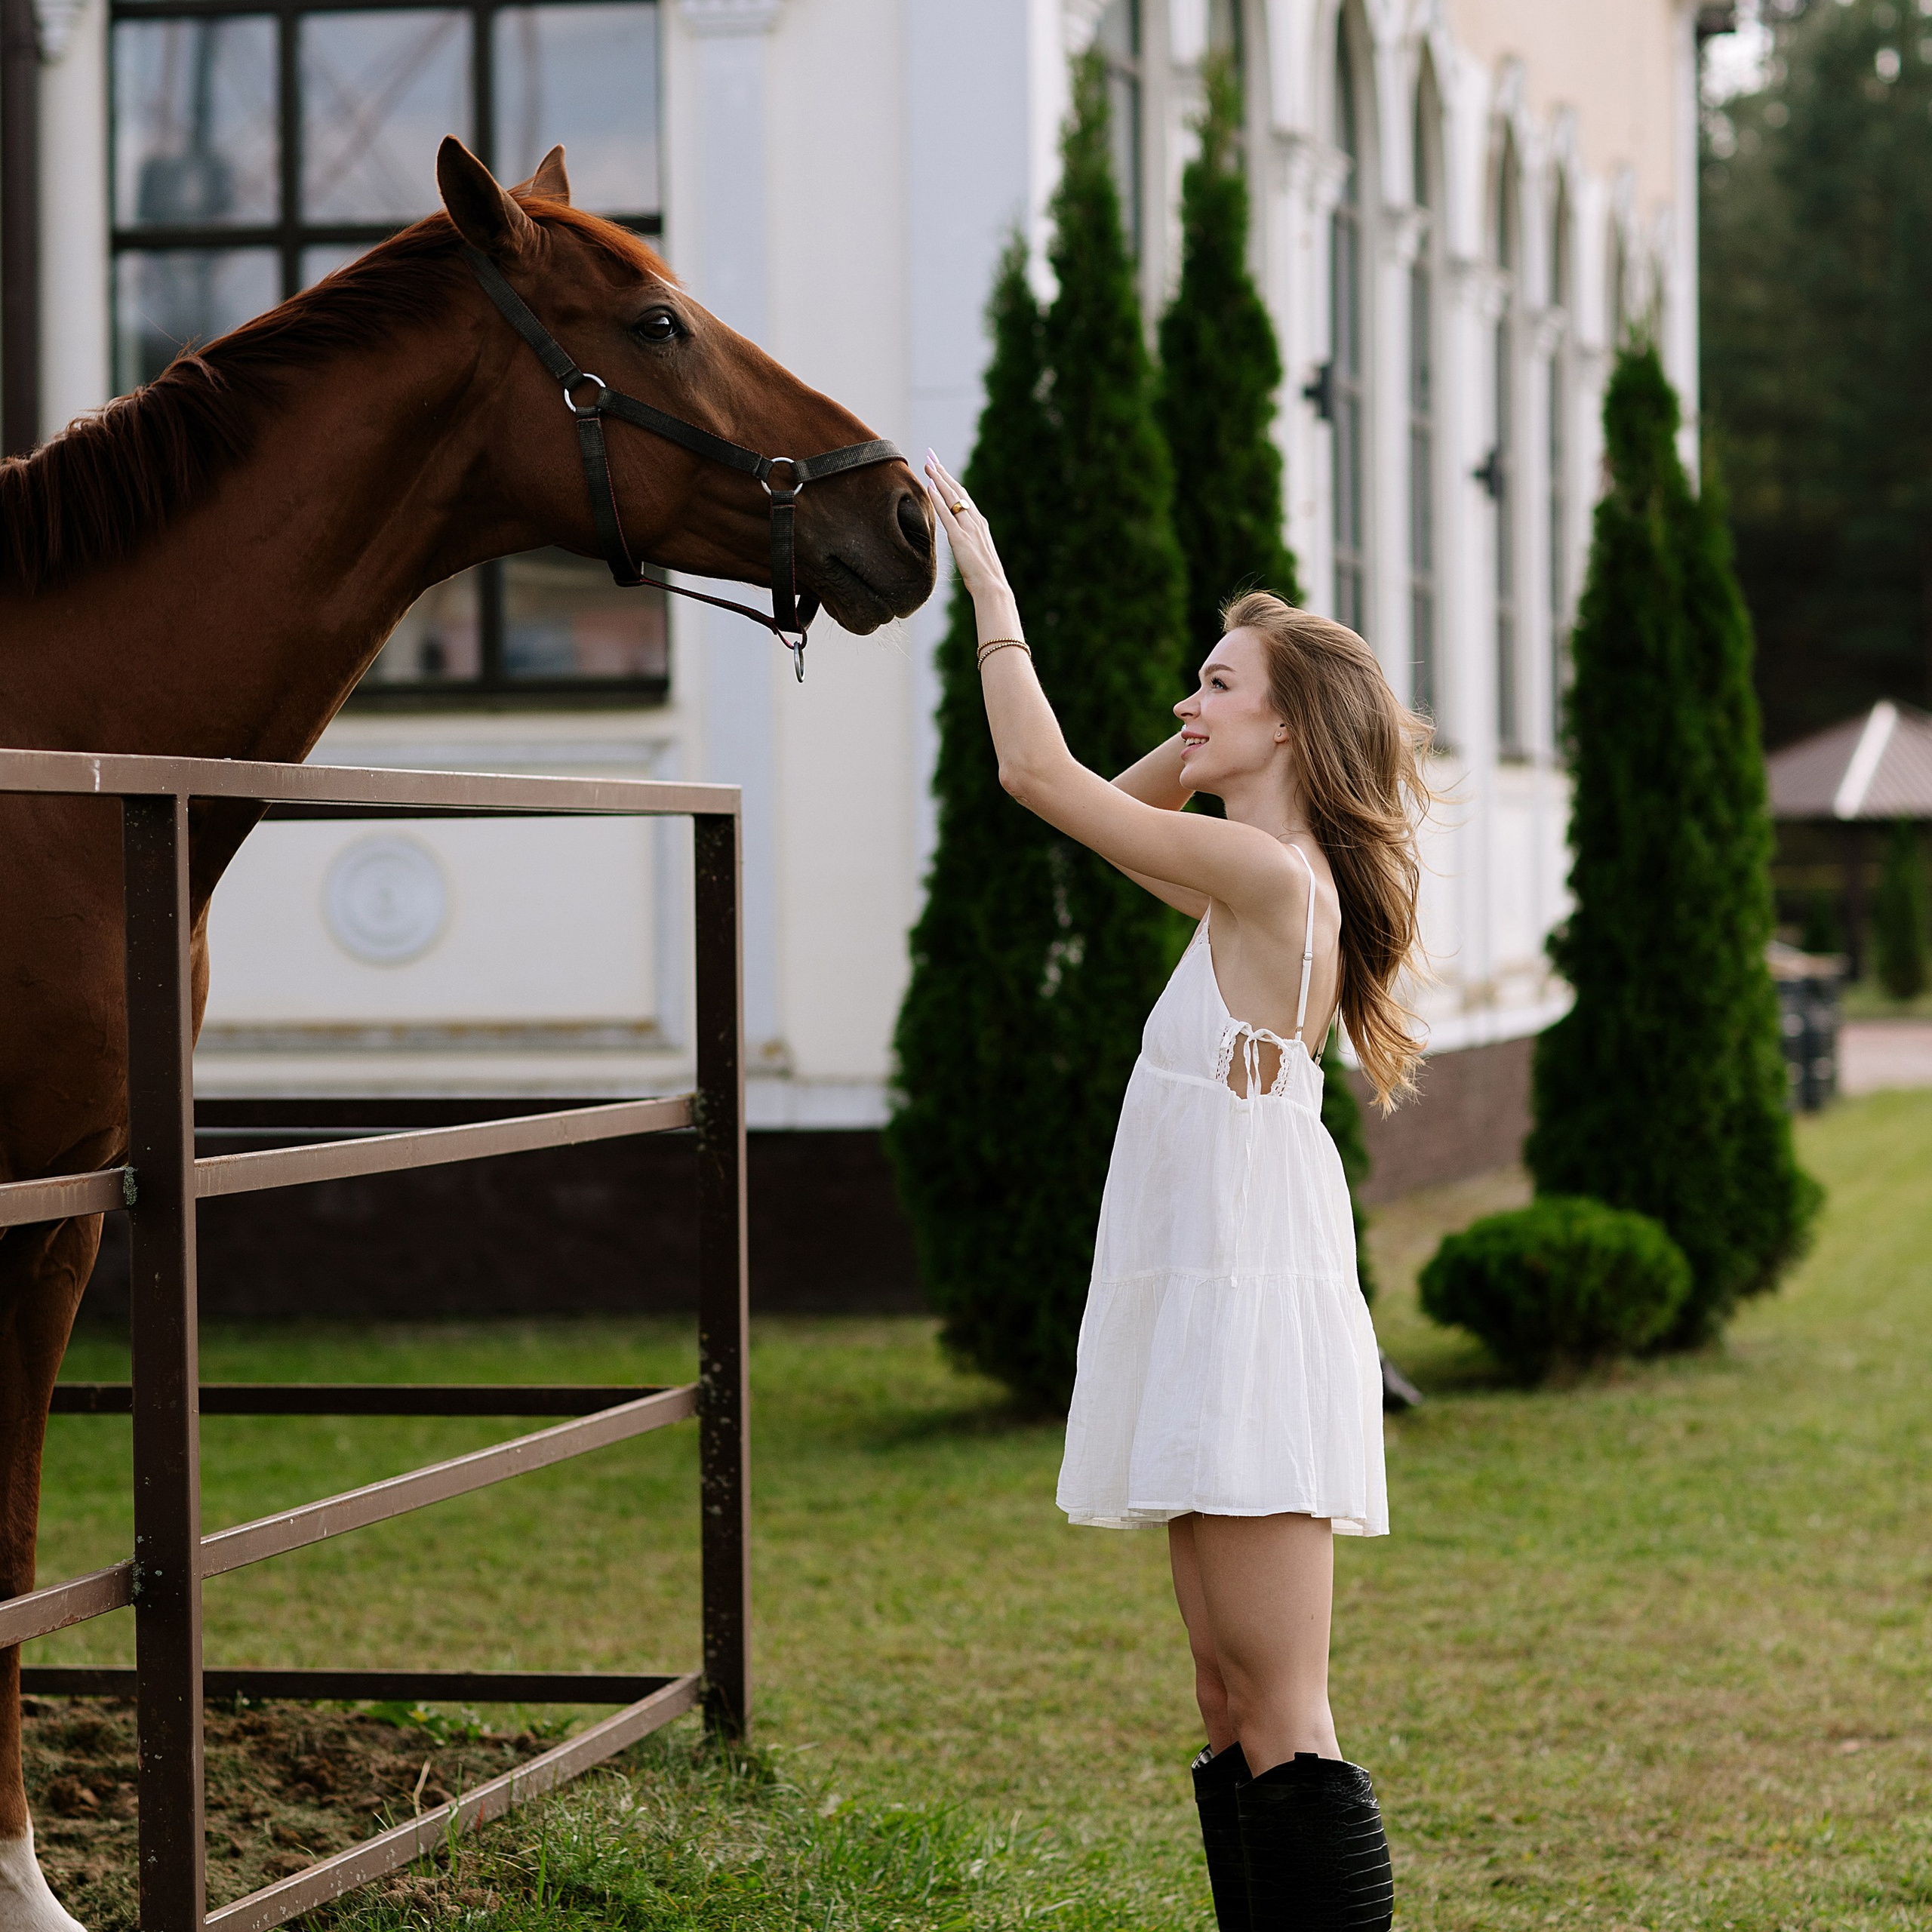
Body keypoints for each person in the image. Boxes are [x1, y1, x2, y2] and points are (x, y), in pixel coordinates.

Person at [924, 451, 1429, 1932]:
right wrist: (1211, 737)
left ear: (1289, 722)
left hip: (1252, 1319)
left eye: (1214, 685)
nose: (1183, 707)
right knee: (1222, 1700)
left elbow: (1038, 777)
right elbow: (1086, 804)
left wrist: (990, 582)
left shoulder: (1271, 882)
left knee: (1283, 1710)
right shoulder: (1234, 871)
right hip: (1207, 1310)